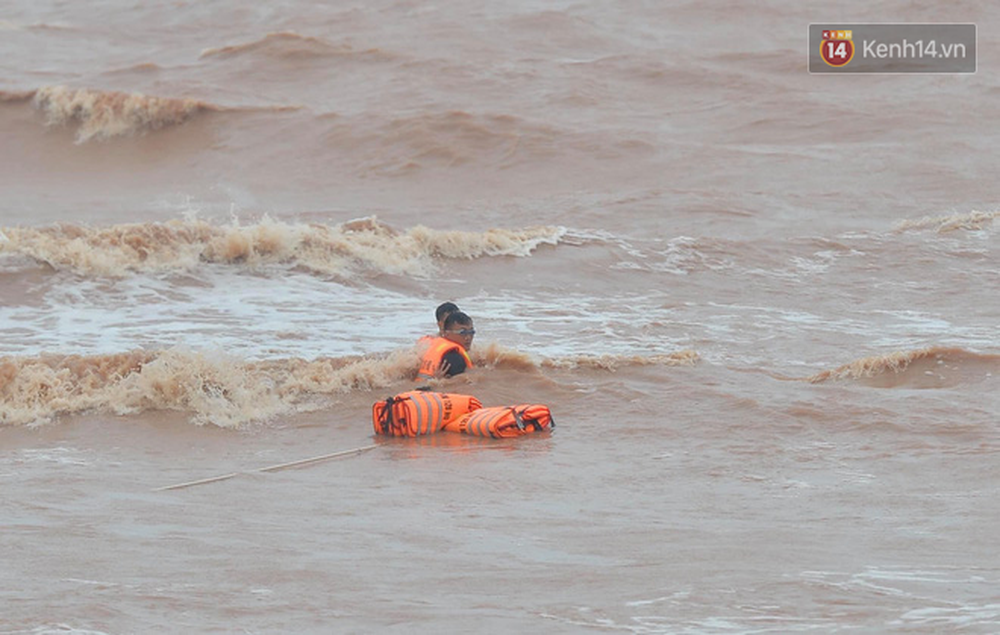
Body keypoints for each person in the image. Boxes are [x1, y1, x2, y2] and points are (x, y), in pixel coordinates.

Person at [417, 311, 475, 380]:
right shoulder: (453, 358)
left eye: (471, 332)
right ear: (446, 333)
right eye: (462, 332)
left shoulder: (432, 345)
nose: (468, 337)